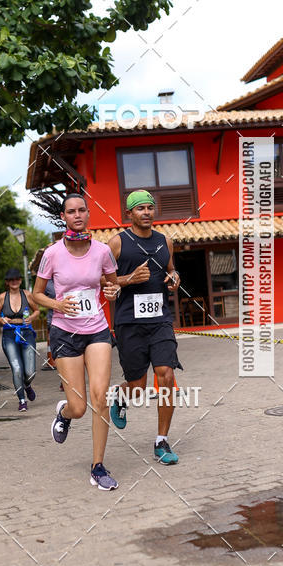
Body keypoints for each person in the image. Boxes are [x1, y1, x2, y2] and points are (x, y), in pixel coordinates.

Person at [33, 193, 120, 490]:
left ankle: (98, 467)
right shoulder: (52, 253)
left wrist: (113, 292)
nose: (78, 215)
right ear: (64, 217)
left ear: (88, 214)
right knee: (79, 407)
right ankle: (64, 413)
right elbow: (37, 294)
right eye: (71, 211)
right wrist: (57, 305)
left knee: (100, 398)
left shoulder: (103, 251)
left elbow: (113, 285)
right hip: (65, 332)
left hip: (97, 329)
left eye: (82, 210)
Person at [107, 190, 182, 465]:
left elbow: (171, 269)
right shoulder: (117, 243)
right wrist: (128, 279)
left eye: (150, 207)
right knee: (137, 387)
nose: (147, 212)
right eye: (140, 208)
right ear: (129, 213)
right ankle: (121, 395)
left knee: (166, 376)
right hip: (129, 323)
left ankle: (161, 441)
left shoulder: (165, 241)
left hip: (160, 320)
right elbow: (101, 280)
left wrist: (174, 277)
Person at [0, 269, 40, 411]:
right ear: (7, 282)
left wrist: (31, 317)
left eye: (17, 279)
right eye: (11, 279)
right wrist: (1, 320)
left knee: (30, 372)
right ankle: (21, 400)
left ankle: (27, 385)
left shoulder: (27, 294)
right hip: (9, 335)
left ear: (20, 280)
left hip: (26, 333)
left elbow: (37, 310)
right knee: (17, 368)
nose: (14, 282)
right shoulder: (2, 297)